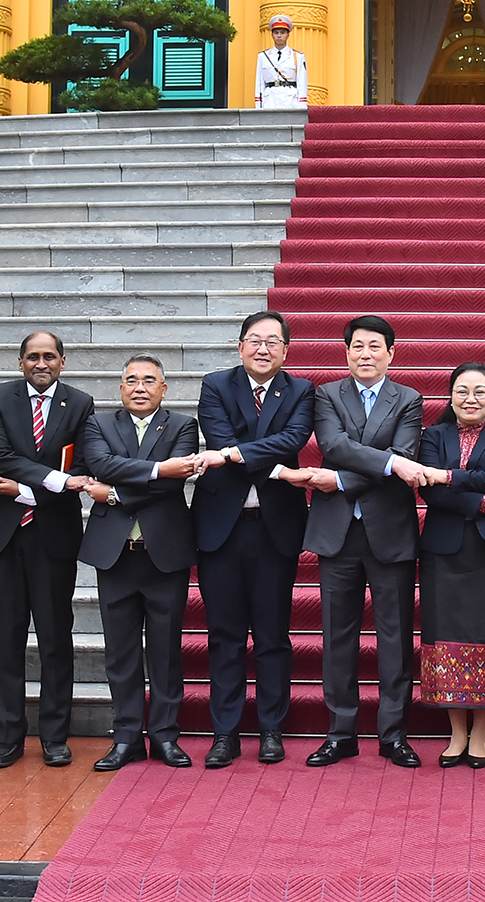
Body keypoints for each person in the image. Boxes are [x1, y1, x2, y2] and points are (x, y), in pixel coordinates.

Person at [286, 314, 429, 768]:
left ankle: (392, 734)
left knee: (395, 637)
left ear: (392, 352)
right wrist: (384, 466)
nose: (365, 354)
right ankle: (340, 731)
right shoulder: (326, 394)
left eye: (374, 347)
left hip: (390, 533)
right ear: (346, 352)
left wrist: (342, 481)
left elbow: (406, 455)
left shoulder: (408, 398)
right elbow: (334, 445)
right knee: (337, 635)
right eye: (357, 347)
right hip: (338, 535)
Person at [192, 311, 315, 768]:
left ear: (286, 350)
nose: (263, 349)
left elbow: (294, 438)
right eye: (254, 340)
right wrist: (244, 449)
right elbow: (220, 435)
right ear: (240, 345)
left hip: (274, 529)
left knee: (272, 635)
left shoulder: (301, 390)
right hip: (221, 530)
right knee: (223, 635)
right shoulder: (215, 385)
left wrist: (234, 453)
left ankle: (270, 729)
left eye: (273, 342)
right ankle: (224, 734)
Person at [0, 331, 96, 769]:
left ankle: (55, 735)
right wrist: (51, 482)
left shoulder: (80, 404)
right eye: (32, 356)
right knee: (6, 639)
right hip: (6, 536)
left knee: (54, 640)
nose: (40, 363)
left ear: (63, 361)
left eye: (49, 356)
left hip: (54, 536)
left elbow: (82, 466)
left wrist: (29, 491)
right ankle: (9, 735)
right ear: (20, 361)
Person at [79, 355, 202, 772]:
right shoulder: (98, 425)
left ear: (164, 389)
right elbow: (100, 465)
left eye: (149, 380)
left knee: (165, 651)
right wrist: (156, 469)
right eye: (131, 380)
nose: (139, 387)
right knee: (121, 651)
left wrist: (113, 494)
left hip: (163, 554)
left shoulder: (183, 426)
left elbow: (173, 482)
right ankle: (127, 737)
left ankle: (165, 736)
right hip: (115, 556)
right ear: (120, 388)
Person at [416, 363, 485, 767]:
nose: (470, 399)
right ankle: (456, 732)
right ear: (450, 397)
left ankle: (480, 732)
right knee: (446, 634)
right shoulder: (433, 435)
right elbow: (432, 492)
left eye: (480, 391)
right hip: (444, 550)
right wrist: (483, 501)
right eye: (462, 391)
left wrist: (450, 476)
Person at [254, 13, 309, 108]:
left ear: (288, 35)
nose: (279, 36)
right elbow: (259, 83)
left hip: (290, 101)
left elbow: (302, 83)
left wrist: (302, 106)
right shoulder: (263, 56)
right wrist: (259, 105)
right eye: (276, 33)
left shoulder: (298, 56)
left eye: (282, 32)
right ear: (272, 35)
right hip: (269, 101)